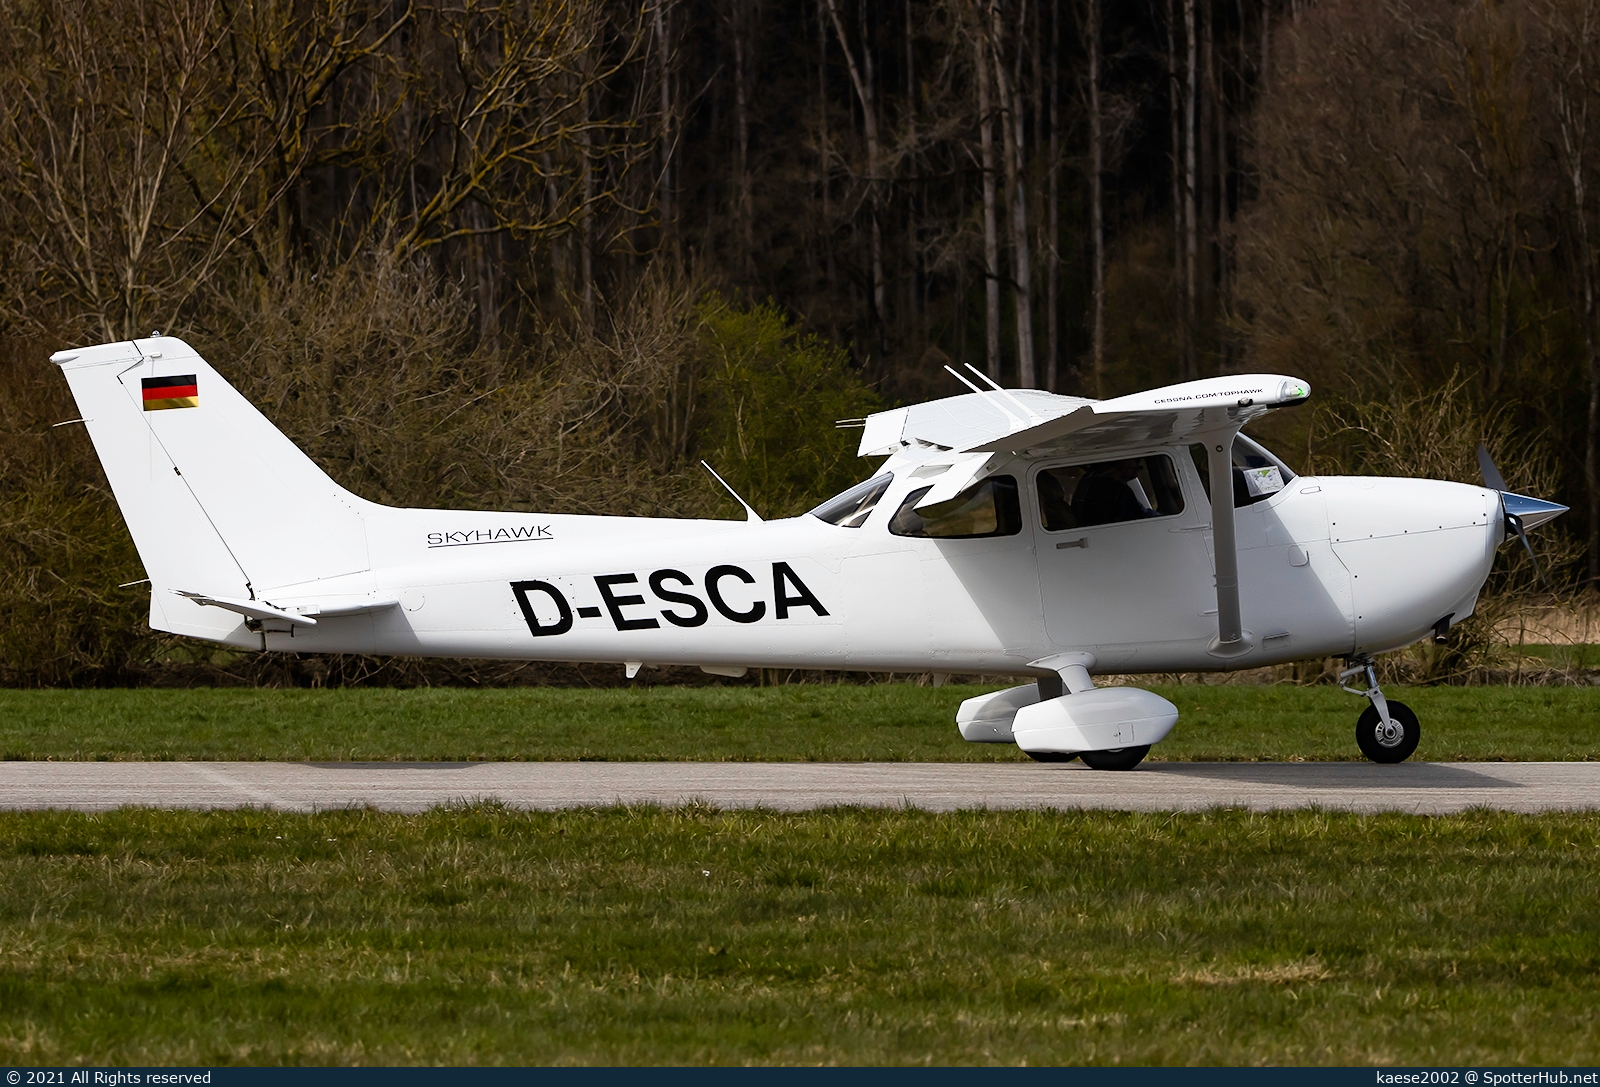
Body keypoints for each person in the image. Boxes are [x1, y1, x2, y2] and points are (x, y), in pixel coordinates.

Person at [1071, 460, 1155, 527]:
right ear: (1126, 466)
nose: (1136, 474)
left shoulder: (1087, 480)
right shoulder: (1120, 491)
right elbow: (1140, 520)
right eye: (1135, 468)